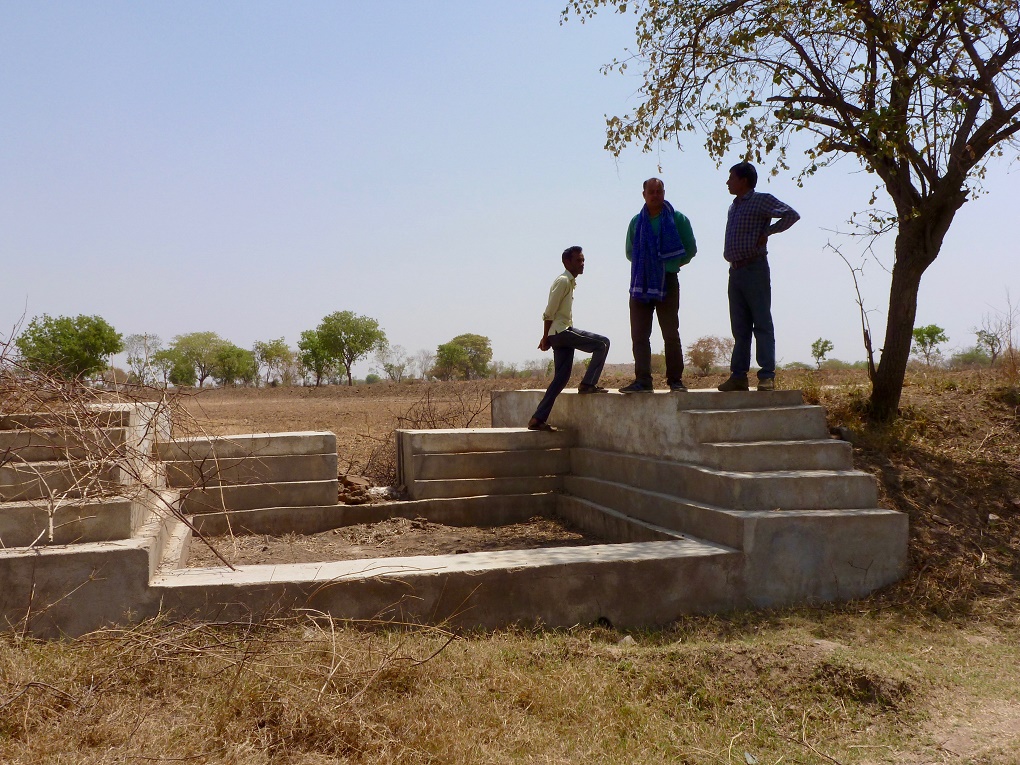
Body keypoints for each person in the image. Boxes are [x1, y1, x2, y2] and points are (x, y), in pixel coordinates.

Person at [718, 161, 800, 392]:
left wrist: (768, 232)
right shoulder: (733, 206)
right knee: (740, 327)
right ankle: (738, 377)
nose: (728, 182)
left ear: (743, 180)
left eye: (731, 177)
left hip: (755, 268)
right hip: (735, 271)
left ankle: (766, 376)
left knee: (762, 323)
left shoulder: (760, 199)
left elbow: (791, 215)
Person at [618, 177, 697, 394]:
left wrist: (670, 264)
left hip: (668, 281)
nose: (655, 195)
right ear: (643, 194)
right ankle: (643, 381)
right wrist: (648, 265)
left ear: (664, 193)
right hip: (641, 283)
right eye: (651, 192)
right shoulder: (636, 222)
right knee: (639, 335)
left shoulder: (678, 219)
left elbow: (690, 249)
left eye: (659, 191)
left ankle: (675, 381)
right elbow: (629, 251)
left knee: (670, 332)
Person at [528, 246, 610, 431]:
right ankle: (588, 384)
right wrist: (545, 336)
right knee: (602, 344)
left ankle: (537, 418)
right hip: (561, 332)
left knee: (561, 379)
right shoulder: (563, 281)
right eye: (578, 261)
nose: (582, 264)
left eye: (583, 261)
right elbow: (549, 312)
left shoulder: (569, 281)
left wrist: (548, 336)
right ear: (567, 262)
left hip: (559, 333)